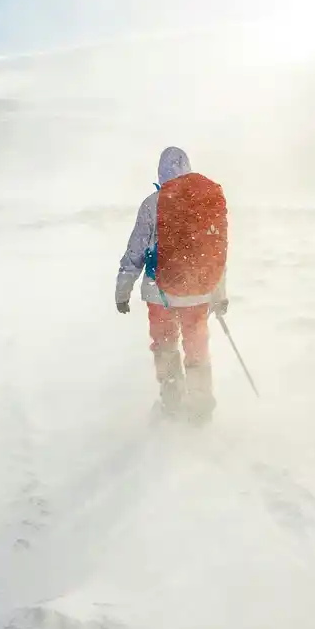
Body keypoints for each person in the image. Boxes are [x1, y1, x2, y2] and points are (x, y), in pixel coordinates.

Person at [116, 147, 228, 423]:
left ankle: (173, 403)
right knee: (196, 349)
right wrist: (219, 295)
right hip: (198, 294)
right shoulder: (204, 205)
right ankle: (201, 408)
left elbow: (135, 252)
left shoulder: (152, 204)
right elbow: (215, 254)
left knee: (165, 346)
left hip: (159, 294)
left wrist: (122, 291)